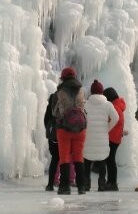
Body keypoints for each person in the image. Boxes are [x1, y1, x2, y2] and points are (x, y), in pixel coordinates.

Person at [53, 67, 86, 195]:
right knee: (78, 156)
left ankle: (65, 186)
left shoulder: (60, 91)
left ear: (63, 77)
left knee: (64, 156)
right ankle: (82, 186)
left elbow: (54, 111)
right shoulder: (81, 90)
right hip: (81, 128)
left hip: (64, 128)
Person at [82, 80, 119, 192]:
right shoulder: (108, 104)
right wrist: (107, 128)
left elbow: (81, 118)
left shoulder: (85, 104)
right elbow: (116, 118)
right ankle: (101, 184)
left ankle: (86, 184)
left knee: (87, 162)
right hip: (102, 137)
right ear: (102, 92)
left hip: (88, 137)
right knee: (102, 161)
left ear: (92, 92)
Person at [103, 87, 126, 191]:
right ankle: (111, 182)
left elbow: (110, 120)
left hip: (112, 137)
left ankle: (112, 182)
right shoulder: (119, 105)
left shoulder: (114, 107)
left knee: (110, 160)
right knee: (110, 160)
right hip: (116, 137)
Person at [44, 90, 60, 191]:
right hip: (63, 135)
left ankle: (50, 183)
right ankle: (63, 182)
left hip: (53, 136)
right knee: (64, 160)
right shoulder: (64, 104)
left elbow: (46, 121)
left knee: (54, 160)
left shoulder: (49, 106)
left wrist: (50, 133)